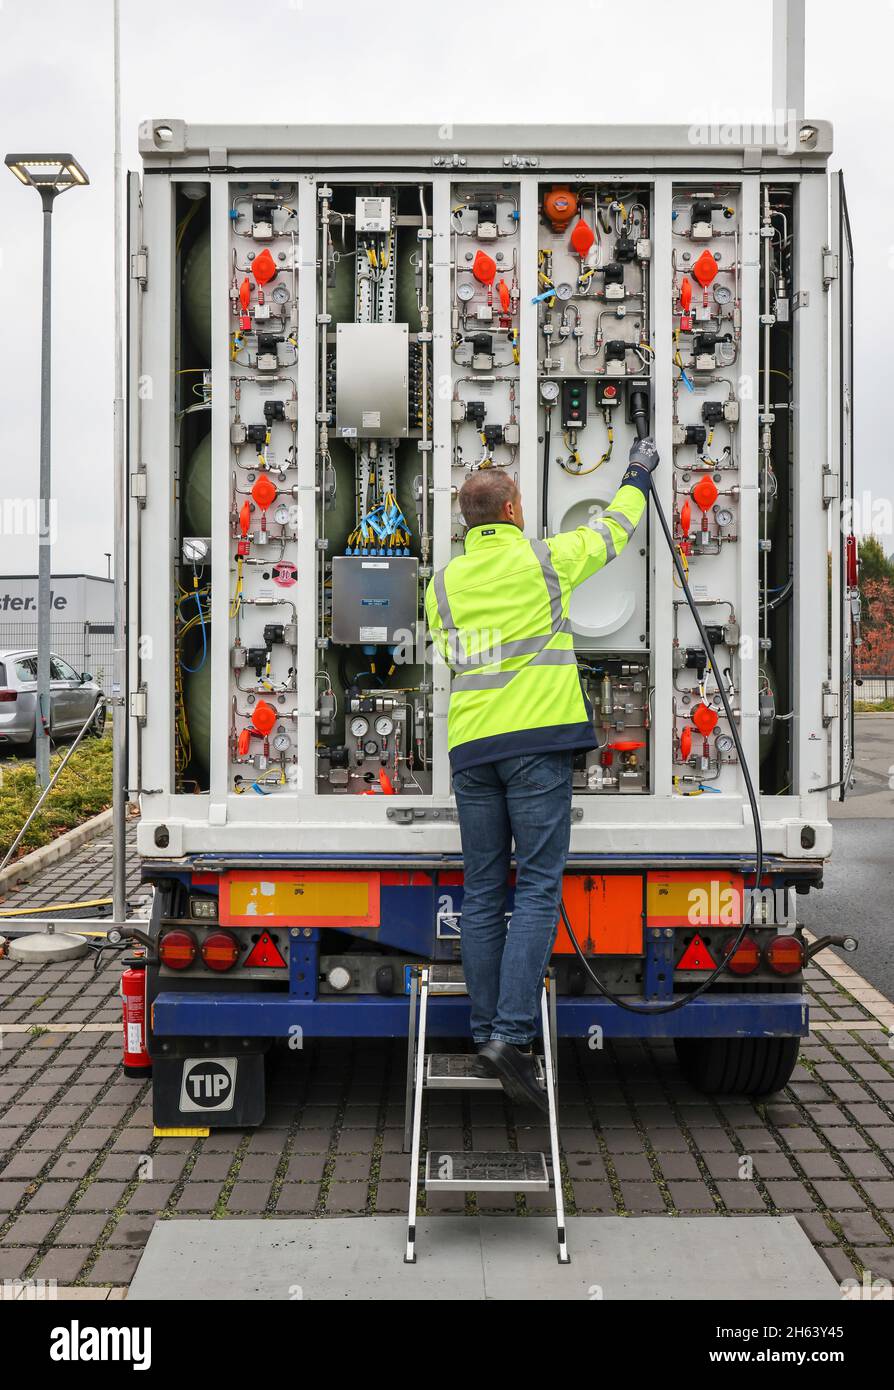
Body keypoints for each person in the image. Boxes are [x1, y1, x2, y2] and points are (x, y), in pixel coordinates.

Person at [424, 436, 659, 1108]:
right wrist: (637, 472)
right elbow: (613, 531)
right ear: (516, 510)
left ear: (469, 522)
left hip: (472, 752)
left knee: (481, 891)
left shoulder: (443, 583)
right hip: (537, 743)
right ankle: (512, 1037)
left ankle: (482, 1031)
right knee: (536, 888)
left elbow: (453, 655)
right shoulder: (544, 560)